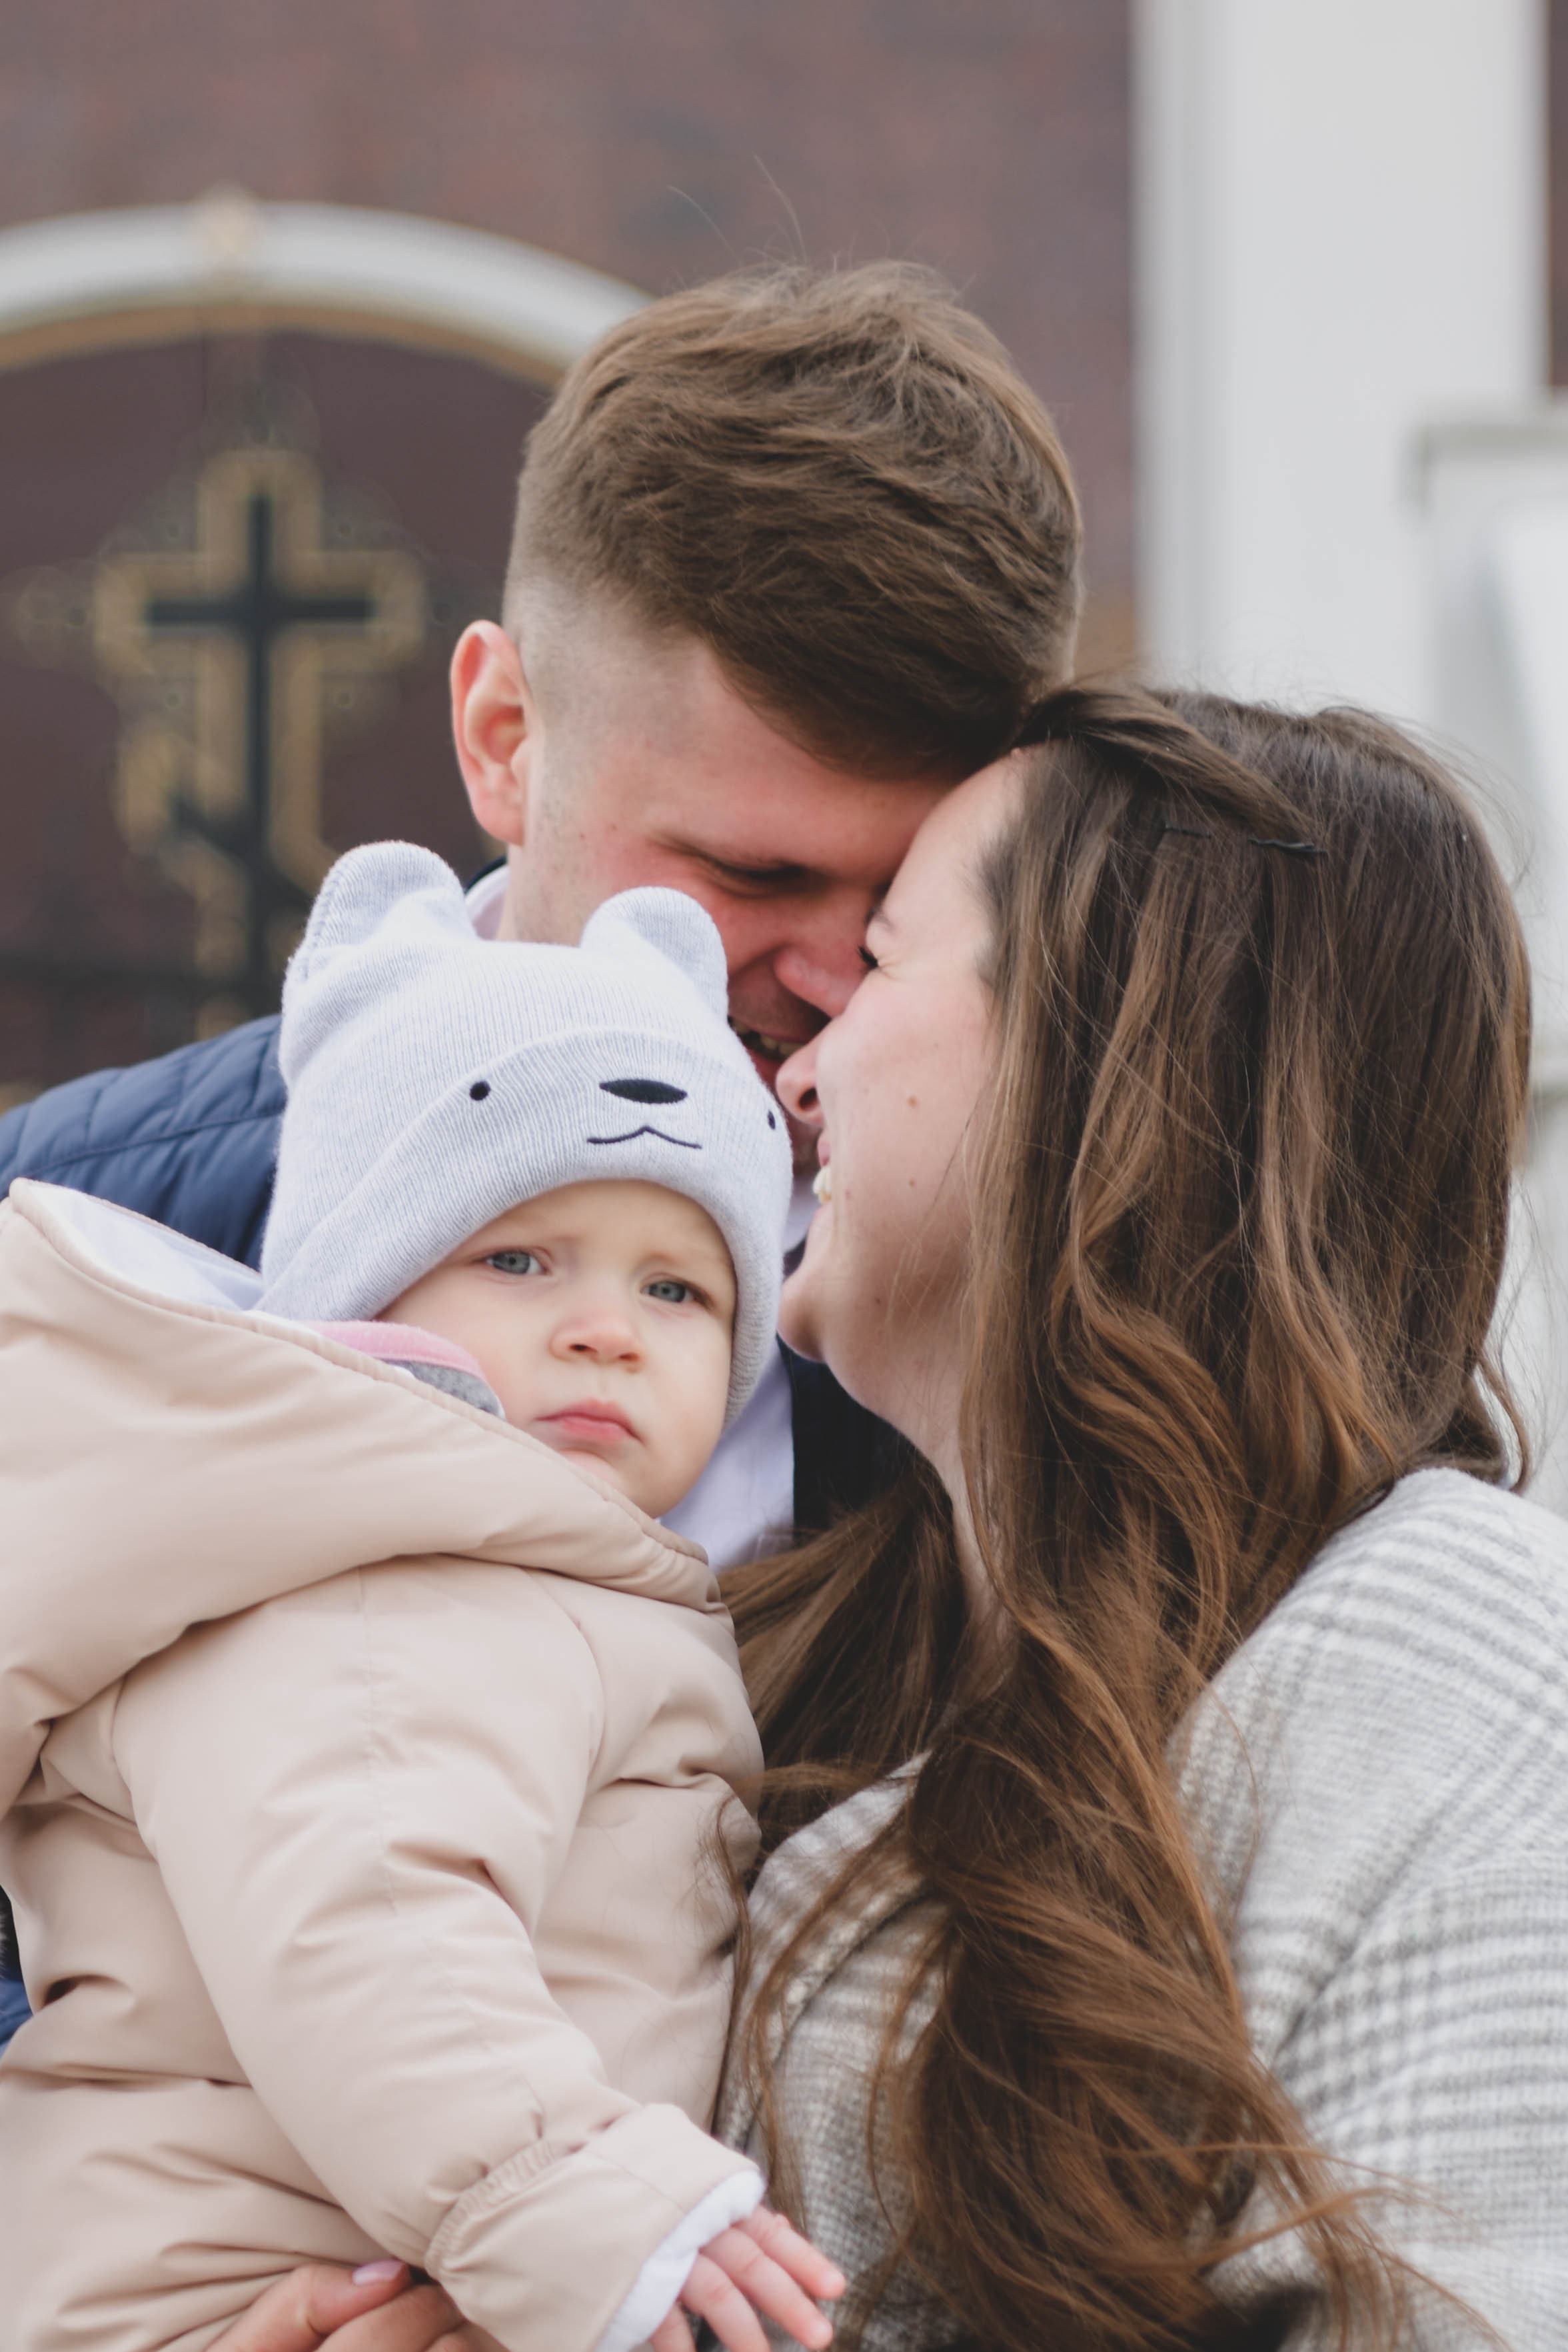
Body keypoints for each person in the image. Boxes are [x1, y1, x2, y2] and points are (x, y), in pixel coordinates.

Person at [712, 686, 1568, 2347]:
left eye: (882, 960)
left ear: (1100, 1050)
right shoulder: (798, 1655)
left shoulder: (1455, 1658)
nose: (795, 1071)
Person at [0, 843, 851, 2352]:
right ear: (366, 1285)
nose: (604, 1329)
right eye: (519, 1257)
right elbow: (366, 1900)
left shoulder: (523, 1556)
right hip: (239, 2292)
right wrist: (587, 2201)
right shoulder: (388, 1568)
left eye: (676, 1288)